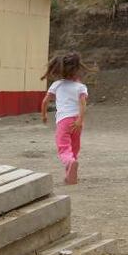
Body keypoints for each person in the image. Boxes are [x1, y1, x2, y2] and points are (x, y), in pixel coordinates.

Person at [40, 51, 90, 185]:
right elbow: (83, 104)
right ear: (77, 70)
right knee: (74, 147)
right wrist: (80, 120)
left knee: (63, 147)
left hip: (63, 121)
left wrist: (44, 115)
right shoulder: (80, 87)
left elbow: (45, 102)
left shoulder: (57, 85)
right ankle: (71, 174)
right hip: (77, 121)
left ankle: (70, 163)